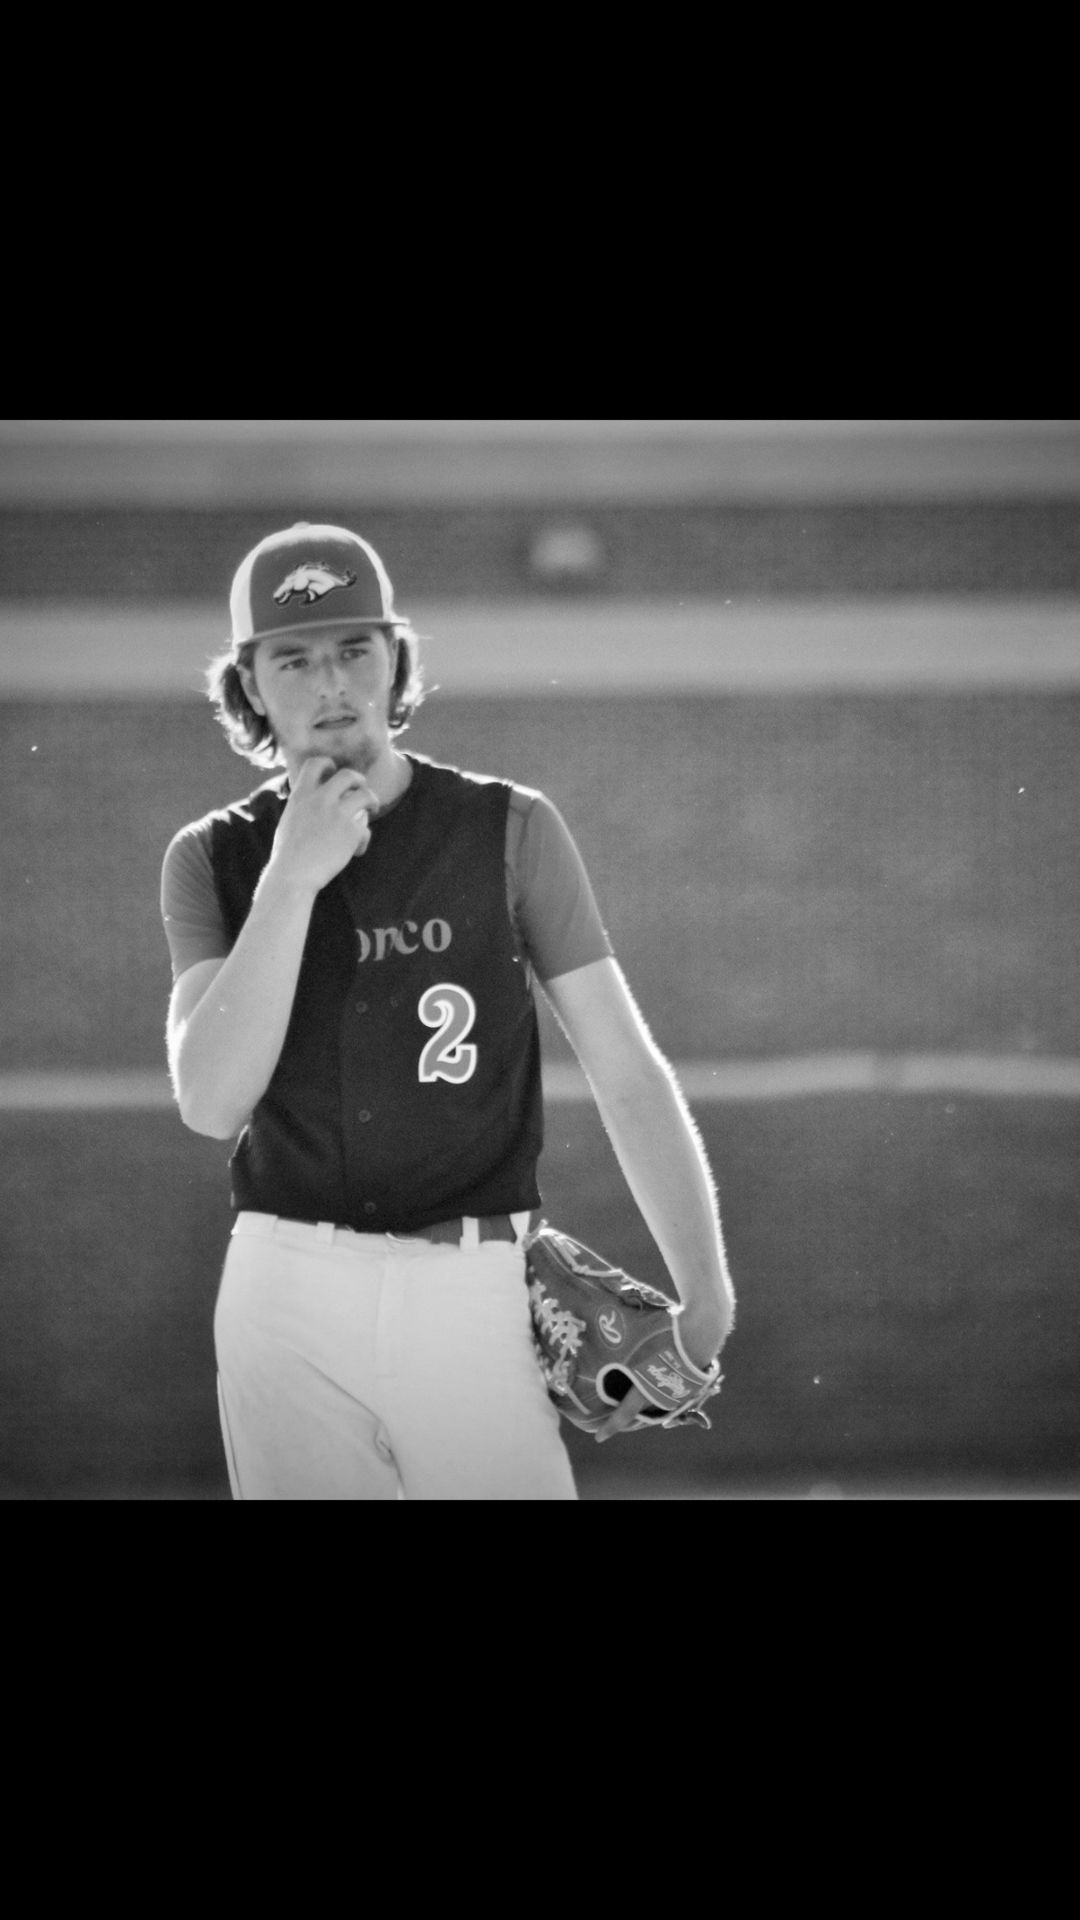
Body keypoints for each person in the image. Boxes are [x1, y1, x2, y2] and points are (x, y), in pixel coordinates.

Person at [160, 522, 735, 1500]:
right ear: (249, 684)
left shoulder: (508, 827)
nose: (331, 682)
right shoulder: (213, 857)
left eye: (355, 648)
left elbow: (625, 1067)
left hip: (471, 1282)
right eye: (293, 659)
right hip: (283, 1288)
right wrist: (292, 878)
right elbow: (212, 1101)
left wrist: (707, 1295)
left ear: (396, 659)